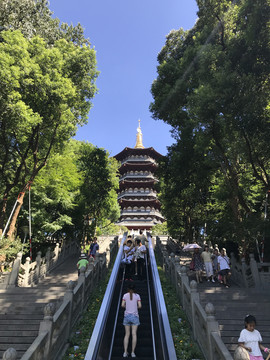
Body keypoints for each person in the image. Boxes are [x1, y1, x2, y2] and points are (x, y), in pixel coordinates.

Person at [122, 283, 142, 358]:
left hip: (127, 316)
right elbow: (140, 306)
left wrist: (127, 306)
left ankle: (125, 352)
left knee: (127, 334)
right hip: (135, 316)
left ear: (128, 289)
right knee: (134, 334)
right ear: (134, 289)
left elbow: (122, 305)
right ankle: (133, 352)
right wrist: (135, 307)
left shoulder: (125, 295)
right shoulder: (137, 296)